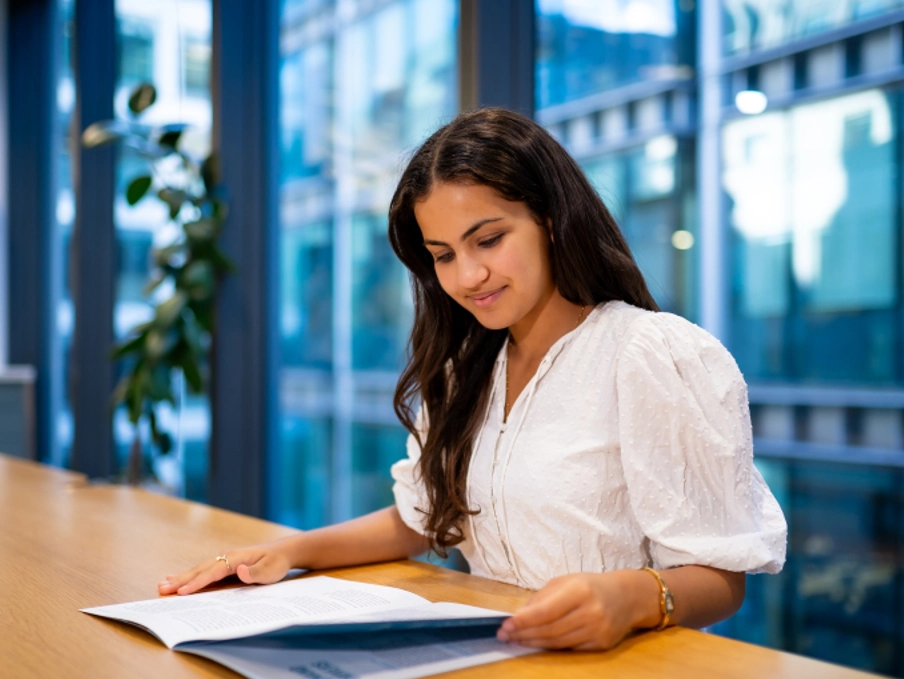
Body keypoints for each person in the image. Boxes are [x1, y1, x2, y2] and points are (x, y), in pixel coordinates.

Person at [159, 108, 787, 651]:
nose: (467, 278)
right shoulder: (466, 371)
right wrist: (291, 553)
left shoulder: (650, 353)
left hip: (628, 678)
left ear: (550, 218)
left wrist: (631, 598)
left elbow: (721, 576)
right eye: (443, 256)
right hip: (504, 664)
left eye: (488, 240)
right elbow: (425, 517)